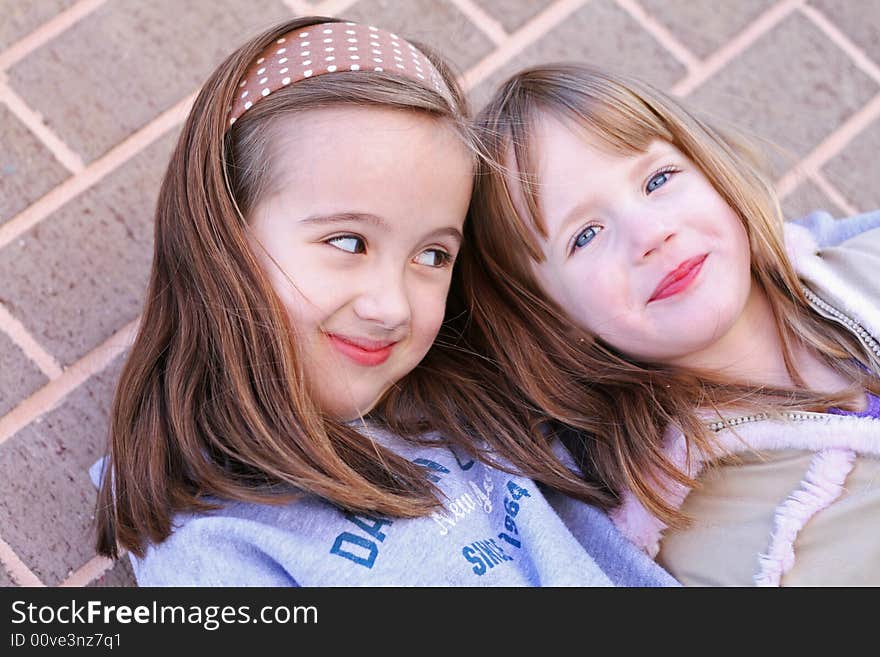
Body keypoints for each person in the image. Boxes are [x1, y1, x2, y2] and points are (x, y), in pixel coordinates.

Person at [90, 19, 679, 586]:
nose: (392, 306)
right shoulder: (216, 545)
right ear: (221, 236)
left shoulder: (476, 400)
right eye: (348, 242)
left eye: (432, 256)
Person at [465, 63, 880, 586]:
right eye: (585, 235)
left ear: (713, 172)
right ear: (555, 319)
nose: (650, 233)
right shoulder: (705, 541)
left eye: (658, 180)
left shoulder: (867, 260)